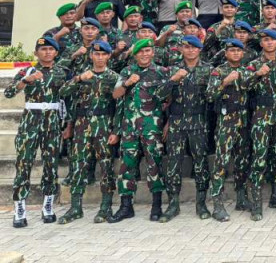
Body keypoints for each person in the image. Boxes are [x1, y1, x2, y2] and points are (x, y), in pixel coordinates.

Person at [6, 37, 68, 228]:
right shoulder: (28, 71)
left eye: (51, 49)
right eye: (43, 49)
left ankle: (48, 204)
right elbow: (8, 92)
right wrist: (25, 81)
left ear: (56, 53)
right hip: (30, 122)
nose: (47, 52)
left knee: (50, 163)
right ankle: (19, 207)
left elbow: (67, 98)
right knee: (24, 163)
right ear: (36, 53)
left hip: (52, 123)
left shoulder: (61, 73)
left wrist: (68, 123)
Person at [109, 38, 171, 223]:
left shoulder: (161, 72)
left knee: (155, 164)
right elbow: (115, 94)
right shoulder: (127, 71)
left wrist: (167, 125)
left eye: (148, 51)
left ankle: (157, 205)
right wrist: (127, 83)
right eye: (140, 52)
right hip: (129, 127)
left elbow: (170, 101)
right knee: (127, 165)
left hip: (152, 127)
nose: (144, 55)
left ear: (153, 52)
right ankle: (126, 206)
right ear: (135, 55)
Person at [58, 40, 119, 224]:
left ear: (108, 56)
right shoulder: (82, 75)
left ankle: (106, 207)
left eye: (103, 54)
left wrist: (116, 130)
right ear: (91, 55)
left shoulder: (114, 78)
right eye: (96, 54)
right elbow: (63, 93)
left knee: (106, 166)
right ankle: (75, 208)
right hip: (81, 125)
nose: (100, 57)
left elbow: (120, 106)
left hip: (104, 125)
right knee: (77, 166)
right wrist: (77, 79)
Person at [161, 35, 213, 222]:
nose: (190, 50)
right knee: (173, 164)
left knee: (201, 163)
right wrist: (173, 80)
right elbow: (159, 95)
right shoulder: (171, 70)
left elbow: (213, 97)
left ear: (199, 49)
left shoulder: (208, 70)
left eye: (194, 47)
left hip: (198, 122)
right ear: (181, 49)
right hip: (176, 123)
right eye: (186, 47)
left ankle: (201, 203)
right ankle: (173, 204)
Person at [206, 39, 254, 221]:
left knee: (242, 161)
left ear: (243, 53)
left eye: (238, 51)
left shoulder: (246, 70)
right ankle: (217, 204)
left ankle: (241, 197)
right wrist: (224, 82)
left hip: (243, 120)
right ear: (226, 53)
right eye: (231, 50)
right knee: (221, 162)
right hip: (226, 121)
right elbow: (210, 95)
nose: (235, 53)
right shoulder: (218, 71)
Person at [247, 29, 276, 219]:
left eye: (273, 40)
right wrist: (257, 75)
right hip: (261, 115)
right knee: (259, 158)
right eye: (266, 40)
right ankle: (256, 203)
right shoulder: (254, 64)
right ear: (261, 43)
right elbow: (243, 86)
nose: (270, 43)